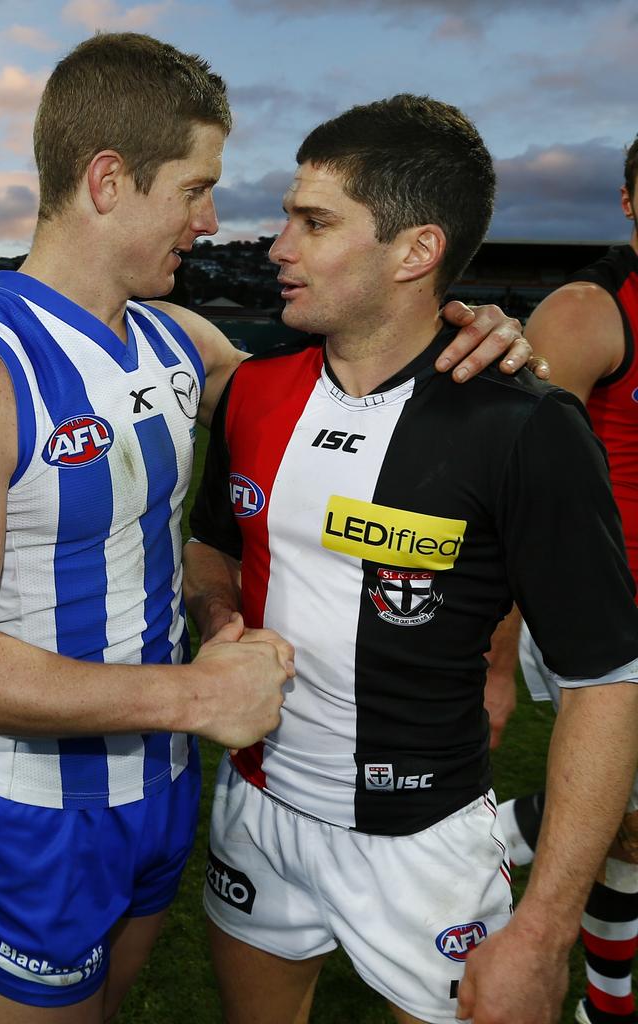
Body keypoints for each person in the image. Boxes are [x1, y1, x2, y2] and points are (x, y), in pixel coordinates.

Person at [0, 34, 536, 1024]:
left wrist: (466, 327)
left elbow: (347, 378)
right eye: (194, 188)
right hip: (40, 810)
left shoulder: (177, 342)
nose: (211, 218)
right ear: (108, 180)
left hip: (166, 783)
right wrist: (193, 693)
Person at [184, 95, 638, 1024]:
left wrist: (546, 931)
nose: (278, 246)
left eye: (314, 222)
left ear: (414, 251)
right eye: (287, 220)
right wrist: (220, 620)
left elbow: (607, 681)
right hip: (256, 811)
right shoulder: (254, 394)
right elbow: (209, 547)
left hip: (424, 842)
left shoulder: (524, 426)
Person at [487, 136, 638, 1024]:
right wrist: (497, 661)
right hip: (597, 609)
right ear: (626, 202)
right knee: (614, 809)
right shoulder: (590, 311)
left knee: (626, 833)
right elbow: (513, 487)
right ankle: (474, 843)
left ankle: (608, 1008)